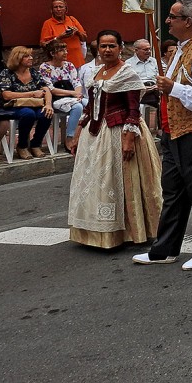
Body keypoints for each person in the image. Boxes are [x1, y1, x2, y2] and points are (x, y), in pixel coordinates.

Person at [133, 0, 192, 271]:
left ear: (188, 21)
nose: (167, 21)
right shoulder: (180, 51)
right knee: (173, 192)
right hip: (174, 131)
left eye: (172, 16)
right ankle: (165, 249)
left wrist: (173, 88)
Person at [67, 30, 162, 249]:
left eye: (112, 46)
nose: (107, 50)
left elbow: (132, 109)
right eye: (103, 46)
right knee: (96, 183)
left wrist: (128, 140)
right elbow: (90, 107)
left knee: (118, 181)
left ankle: (127, 231)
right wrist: (79, 132)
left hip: (120, 131)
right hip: (96, 134)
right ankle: (94, 231)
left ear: (120, 48)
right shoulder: (97, 72)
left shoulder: (127, 73)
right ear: (97, 49)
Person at [0, 46, 54, 160]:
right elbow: (6, 95)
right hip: (14, 105)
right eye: (27, 56)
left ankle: (35, 144)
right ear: (18, 58)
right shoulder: (7, 73)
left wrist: (48, 104)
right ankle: (22, 146)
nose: (31, 58)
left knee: (46, 114)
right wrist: (32, 94)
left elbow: (46, 89)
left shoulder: (33, 72)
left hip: (34, 104)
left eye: (31, 55)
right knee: (28, 114)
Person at [39, 40, 85, 148]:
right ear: (52, 53)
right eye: (61, 50)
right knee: (78, 107)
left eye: (66, 50)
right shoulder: (45, 67)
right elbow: (51, 89)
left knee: (90, 104)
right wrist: (73, 93)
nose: (65, 52)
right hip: (56, 98)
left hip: (72, 97)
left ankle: (86, 137)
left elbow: (76, 82)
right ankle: (69, 138)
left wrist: (77, 94)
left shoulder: (69, 65)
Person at [39, 0, 89, 68]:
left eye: (61, 7)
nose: (58, 9)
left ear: (66, 9)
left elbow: (84, 38)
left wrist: (77, 32)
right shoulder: (48, 23)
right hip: (60, 64)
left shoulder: (72, 19)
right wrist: (59, 37)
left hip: (78, 61)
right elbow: (43, 45)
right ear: (51, 10)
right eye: (55, 7)